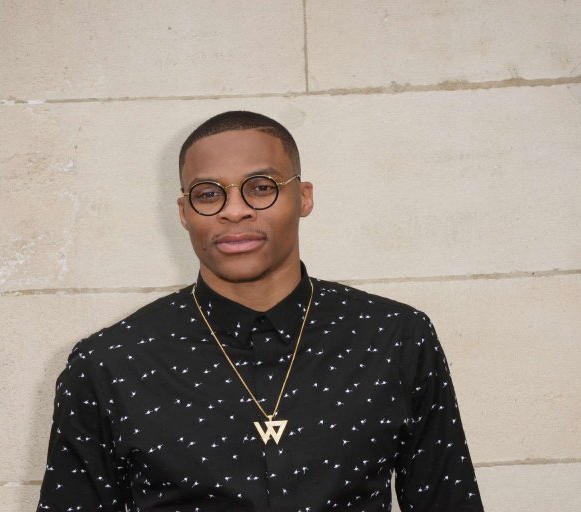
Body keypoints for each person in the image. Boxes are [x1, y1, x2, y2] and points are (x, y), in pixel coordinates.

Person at [37, 111, 484, 511]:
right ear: (184, 212)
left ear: (303, 197)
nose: (234, 211)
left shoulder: (394, 338)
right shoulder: (109, 364)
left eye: (260, 188)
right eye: (208, 194)